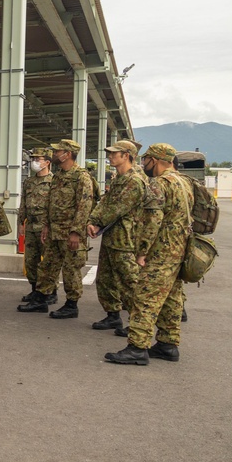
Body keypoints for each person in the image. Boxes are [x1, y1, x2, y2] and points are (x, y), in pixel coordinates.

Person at [105, 143, 193, 365]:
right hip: (179, 250)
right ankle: (168, 344)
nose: (143, 164)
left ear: (156, 160)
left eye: (146, 160)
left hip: (161, 252)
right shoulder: (185, 182)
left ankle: (137, 347)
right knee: (171, 298)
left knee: (145, 298)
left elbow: (153, 221)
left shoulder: (159, 184)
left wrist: (142, 252)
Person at [17, 139, 94, 318]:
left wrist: (76, 232)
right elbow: (50, 203)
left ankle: (71, 305)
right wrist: (46, 226)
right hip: (53, 231)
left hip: (69, 233)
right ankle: (41, 299)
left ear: (67, 154)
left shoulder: (81, 177)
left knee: (70, 270)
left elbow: (84, 206)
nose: (54, 154)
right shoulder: (59, 176)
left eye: (58, 152)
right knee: (47, 266)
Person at [87, 140, 148, 331]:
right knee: (106, 279)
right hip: (113, 236)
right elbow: (105, 202)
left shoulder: (134, 180)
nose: (110, 156)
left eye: (115, 153)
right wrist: (92, 219)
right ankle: (112, 315)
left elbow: (118, 208)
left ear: (127, 156)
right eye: (110, 153)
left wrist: (97, 223)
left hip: (126, 240)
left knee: (130, 282)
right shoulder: (119, 178)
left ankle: (137, 324)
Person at [17, 147, 57, 304]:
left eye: (37, 159)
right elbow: (24, 204)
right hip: (31, 226)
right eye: (32, 159)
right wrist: (21, 221)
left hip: (45, 227)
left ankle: (51, 292)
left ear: (47, 162)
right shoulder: (29, 181)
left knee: (48, 261)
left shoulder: (54, 182)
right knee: (31, 261)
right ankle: (35, 290)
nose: (34, 162)